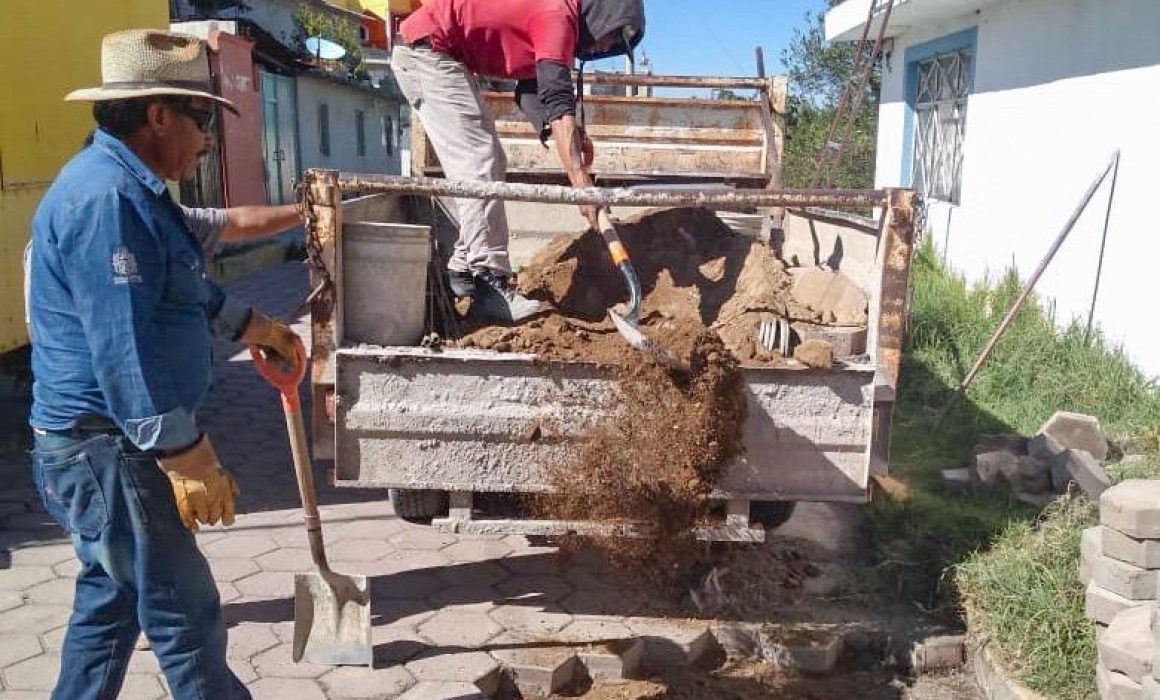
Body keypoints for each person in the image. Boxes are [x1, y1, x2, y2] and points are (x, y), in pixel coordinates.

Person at [24, 29, 275, 700]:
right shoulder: (106, 199)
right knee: (183, 611)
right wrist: (182, 448)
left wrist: (254, 324)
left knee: (109, 607)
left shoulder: (136, 190)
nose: (206, 140)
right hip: (111, 448)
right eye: (200, 121)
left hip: (107, 448)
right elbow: (120, 342)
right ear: (157, 115)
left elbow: (181, 283)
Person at [394, 0, 645, 323]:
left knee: (491, 161)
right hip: (427, 51)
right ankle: (490, 284)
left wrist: (570, 137)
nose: (606, 46)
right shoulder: (556, 16)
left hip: (442, 54)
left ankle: (463, 268)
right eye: (612, 37)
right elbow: (556, 102)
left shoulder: (558, 20)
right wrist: (582, 186)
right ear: (602, 14)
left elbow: (532, 89)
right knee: (478, 162)